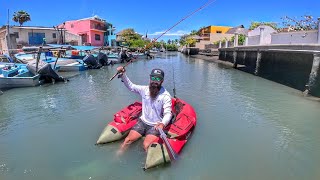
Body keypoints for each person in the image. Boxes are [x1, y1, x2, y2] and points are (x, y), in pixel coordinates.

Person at [116, 66, 172, 154]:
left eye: (158, 79)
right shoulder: (144, 89)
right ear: (150, 78)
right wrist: (123, 75)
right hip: (142, 122)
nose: (154, 81)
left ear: (162, 81)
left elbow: (168, 113)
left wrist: (162, 123)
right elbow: (131, 86)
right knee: (127, 140)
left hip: (155, 126)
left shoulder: (166, 96)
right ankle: (117, 156)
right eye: (153, 78)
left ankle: (147, 162)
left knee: (146, 145)